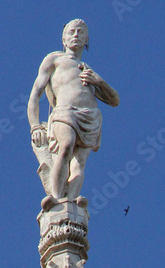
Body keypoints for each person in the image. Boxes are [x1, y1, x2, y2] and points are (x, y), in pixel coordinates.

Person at [28, 19, 119, 206]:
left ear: (87, 40)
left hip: (90, 117)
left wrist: (98, 81)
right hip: (64, 112)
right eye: (71, 32)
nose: (76, 35)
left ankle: (71, 202)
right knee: (66, 145)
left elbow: (114, 100)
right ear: (64, 38)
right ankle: (55, 196)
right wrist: (35, 126)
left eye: (80, 32)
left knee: (79, 162)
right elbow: (34, 96)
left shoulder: (87, 70)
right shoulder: (54, 60)